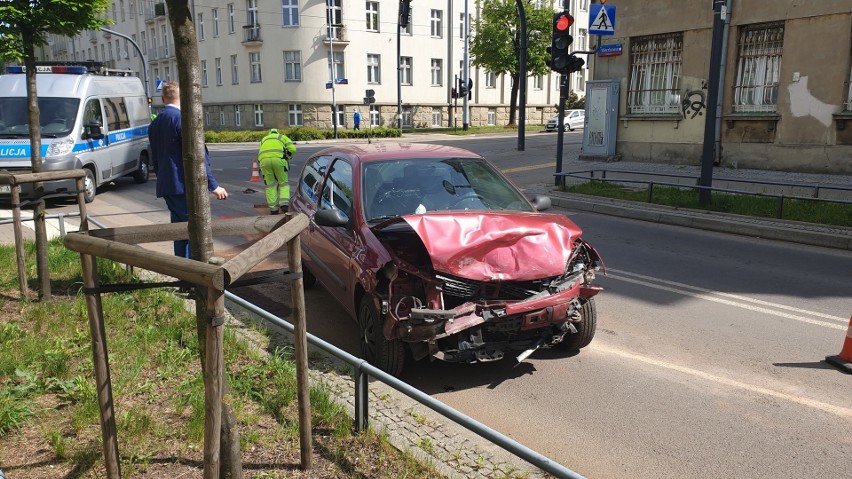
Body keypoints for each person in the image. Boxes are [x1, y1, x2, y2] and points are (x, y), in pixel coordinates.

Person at [148, 81, 228, 258]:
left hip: (168, 186)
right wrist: (213, 185)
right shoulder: (183, 119)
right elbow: (197, 156)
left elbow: (155, 158)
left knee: (180, 232)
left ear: (163, 98)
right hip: (184, 185)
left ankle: (184, 277)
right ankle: (195, 278)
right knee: (196, 232)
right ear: (183, 98)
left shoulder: (155, 123)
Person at [257, 128, 296, 215]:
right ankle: (284, 204)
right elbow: (292, 149)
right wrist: (287, 156)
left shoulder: (264, 139)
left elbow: (260, 151)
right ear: (277, 132)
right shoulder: (282, 137)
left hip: (264, 162)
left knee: (270, 185)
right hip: (279, 160)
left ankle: (273, 209)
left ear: (269, 133)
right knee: (283, 183)